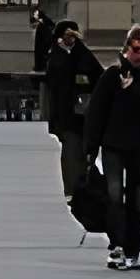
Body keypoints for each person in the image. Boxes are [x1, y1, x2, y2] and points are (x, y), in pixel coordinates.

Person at [83, 26, 140, 269]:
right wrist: (90, 146)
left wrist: (133, 90)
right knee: (114, 194)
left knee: (137, 199)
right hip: (113, 143)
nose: (139, 55)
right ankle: (116, 245)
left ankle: (133, 248)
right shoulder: (113, 74)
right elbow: (97, 111)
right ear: (127, 48)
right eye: (135, 50)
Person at [41, 18, 102, 210]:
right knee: (70, 152)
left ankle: (83, 186)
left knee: (85, 153)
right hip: (65, 114)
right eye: (66, 36)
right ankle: (72, 189)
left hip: (84, 113)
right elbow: (52, 84)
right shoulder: (55, 56)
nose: (69, 40)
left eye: (72, 35)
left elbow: (97, 76)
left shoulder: (82, 53)